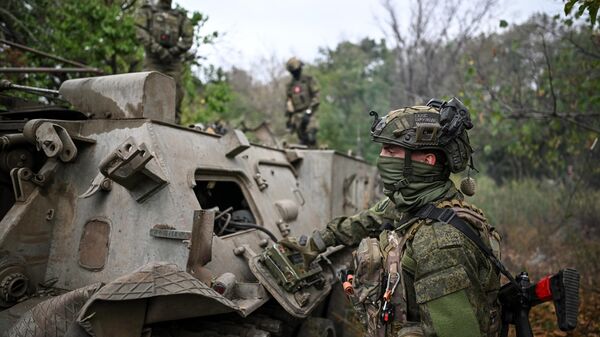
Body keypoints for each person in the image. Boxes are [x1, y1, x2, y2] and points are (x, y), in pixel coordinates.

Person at [282, 98, 502, 337]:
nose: (381, 157)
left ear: (426, 160)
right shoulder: (410, 204)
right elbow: (362, 223)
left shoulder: (439, 243)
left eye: (391, 150)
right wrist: (314, 244)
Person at [135, 0, 194, 124]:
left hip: (173, 61)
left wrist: (174, 51)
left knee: (176, 94)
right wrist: (157, 49)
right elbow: (140, 30)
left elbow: (188, 38)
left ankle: (174, 126)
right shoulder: (148, 11)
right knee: (148, 89)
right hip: (153, 59)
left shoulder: (180, 16)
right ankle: (145, 123)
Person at [284, 57, 320, 147]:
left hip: (309, 113)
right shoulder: (290, 86)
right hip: (297, 116)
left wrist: (309, 111)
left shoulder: (308, 80)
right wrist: (289, 120)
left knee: (311, 135)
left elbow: (316, 96)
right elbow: (289, 103)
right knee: (303, 141)